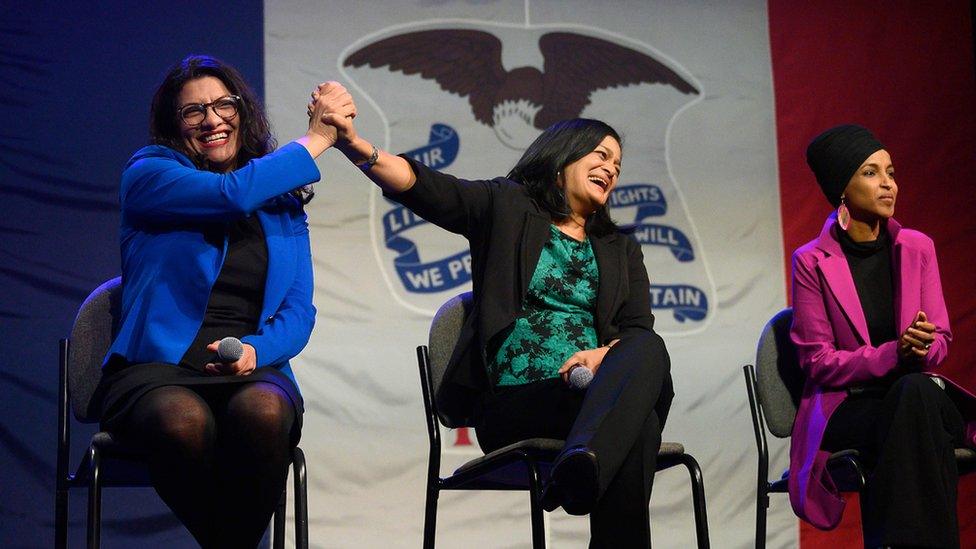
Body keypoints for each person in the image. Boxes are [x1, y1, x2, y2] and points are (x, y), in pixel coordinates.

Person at [310, 82, 673, 547]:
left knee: (649, 350)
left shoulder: (620, 249)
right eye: (600, 156)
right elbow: (429, 189)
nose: (611, 169)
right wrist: (356, 146)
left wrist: (603, 356)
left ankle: (583, 459)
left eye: (617, 166)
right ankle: (585, 459)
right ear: (563, 157)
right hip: (514, 401)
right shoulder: (508, 206)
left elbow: (637, 331)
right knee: (637, 428)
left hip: (591, 398)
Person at [95, 55, 353, 547]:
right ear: (175, 125)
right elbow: (230, 196)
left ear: (243, 110)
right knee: (182, 420)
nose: (212, 120)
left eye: (223, 105)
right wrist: (319, 138)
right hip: (158, 371)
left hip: (251, 369)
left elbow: (299, 312)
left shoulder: (283, 205)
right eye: (194, 112)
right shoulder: (150, 174)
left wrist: (258, 349)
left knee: (265, 413)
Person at [789, 124, 976, 548]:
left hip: (914, 395)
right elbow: (816, 361)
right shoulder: (811, 261)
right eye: (872, 173)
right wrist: (895, 353)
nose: (889, 183)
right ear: (842, 187)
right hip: (850, 406)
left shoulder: (917, 247)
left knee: (914, 397)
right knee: (918, 422)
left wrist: (926, 345)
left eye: (890, 171)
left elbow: (942, 338)